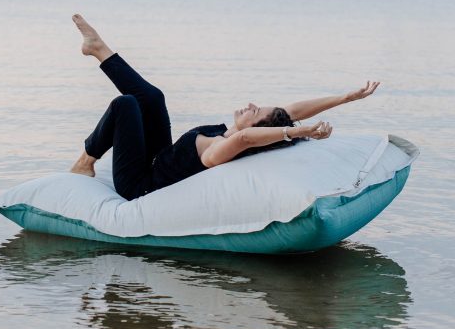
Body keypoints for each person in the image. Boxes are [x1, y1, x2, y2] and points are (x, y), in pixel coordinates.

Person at [68, 14, 381, 200]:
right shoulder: (227, 134)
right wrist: (344, 98)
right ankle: (98, 49)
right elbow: (292, 111)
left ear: (257, 129)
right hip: (156, 158)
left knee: (125, 105)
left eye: (256, 112)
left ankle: (85, 161)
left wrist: (295, 133)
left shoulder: (218, 151)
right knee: (153, 98)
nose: (251, 105)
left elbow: (247, 138)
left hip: (138, 184)